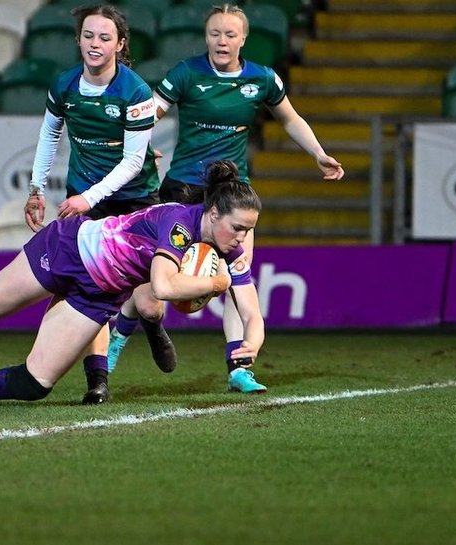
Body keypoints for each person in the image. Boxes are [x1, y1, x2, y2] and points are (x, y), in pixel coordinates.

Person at [0, 160, 263, 409]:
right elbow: (164, 286)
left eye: (250, 230)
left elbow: (249, 308)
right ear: (213, 213)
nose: (243, 237)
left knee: (35, 384)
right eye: (239, 228)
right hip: (70, 248)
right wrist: (213, 284)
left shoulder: (222, 244)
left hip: (100, 293)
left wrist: (253, 340)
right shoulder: (180, 223)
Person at [107, 3, 344, 394]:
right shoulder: (186, 72)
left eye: (230, 34)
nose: (222, 40)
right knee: (150, 287)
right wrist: (138, 147)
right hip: (181, 192)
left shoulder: (262, 79)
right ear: (206, 36)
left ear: (244, 39)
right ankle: (120, 336)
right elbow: (150, 113)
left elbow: (290, 118)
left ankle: (239, 366)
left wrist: (317, 152)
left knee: (237, 278)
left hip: (231, 196)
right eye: (215, 33)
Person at [16, 4, 167, 404]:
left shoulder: (135, 92)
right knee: (89, 290)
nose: (94, 44)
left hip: (134, 198)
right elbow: (50, 137)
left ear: (120, 44)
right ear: (78, 40)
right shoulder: (64, 85)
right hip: (86, 201)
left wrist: (87, 197)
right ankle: (97, 380)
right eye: (88, 36)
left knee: (150, 303)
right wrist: (36, 189)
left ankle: (151, 324)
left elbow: (135, 162)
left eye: (104, 37)